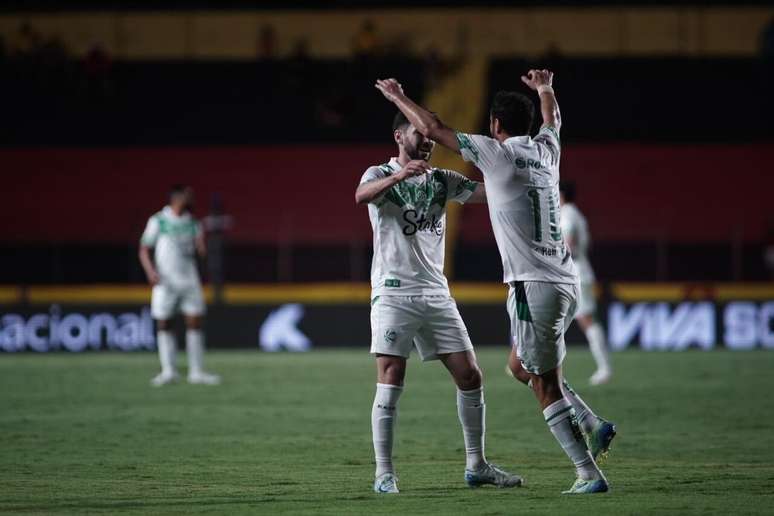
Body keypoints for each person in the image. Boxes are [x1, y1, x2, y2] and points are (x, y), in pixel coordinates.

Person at [375, 69, 616, 494]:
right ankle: (592, 422)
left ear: (495, 126)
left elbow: (432, 127)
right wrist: (546, 89)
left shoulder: (494, 154)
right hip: (565, 281)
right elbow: (554, 121)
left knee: (542, 383)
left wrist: (398, 96)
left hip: (531, 285)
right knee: (519, 366)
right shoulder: (547, 150)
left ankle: (587, 472)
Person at [356, 111, 523, 494]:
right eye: (420, 133)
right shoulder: (377, 173)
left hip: (436, 292)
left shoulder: (442, 180)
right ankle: (384, 473)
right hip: (394, 290)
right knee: (391, 376)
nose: (428, 140)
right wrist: (399, 176)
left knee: (470, 375)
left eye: (431, 136)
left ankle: (476, 465)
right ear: (400, 135)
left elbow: (486, 194)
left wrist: (512, 177)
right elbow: (359, 196)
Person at [139, 185, 221, 387]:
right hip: (165, 282)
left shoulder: (194, 223)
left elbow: (200, 252)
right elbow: (144, 249)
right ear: (176, 198)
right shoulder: (159, 220)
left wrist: (203, 246)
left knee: (194, 323)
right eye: (187, 195)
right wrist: (150, 271)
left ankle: (197, 371)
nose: (191, 198)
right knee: (164, 323)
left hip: (189, 280)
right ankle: (168, 371)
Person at [559, 181, 612, 385]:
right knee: (568, 319)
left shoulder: (567, 214)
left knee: (586, 319)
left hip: (576, 273)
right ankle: (531, 362)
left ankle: (605, 368)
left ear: (561, 194)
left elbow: (569, 242)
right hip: (578, 271)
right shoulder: (575, 213)